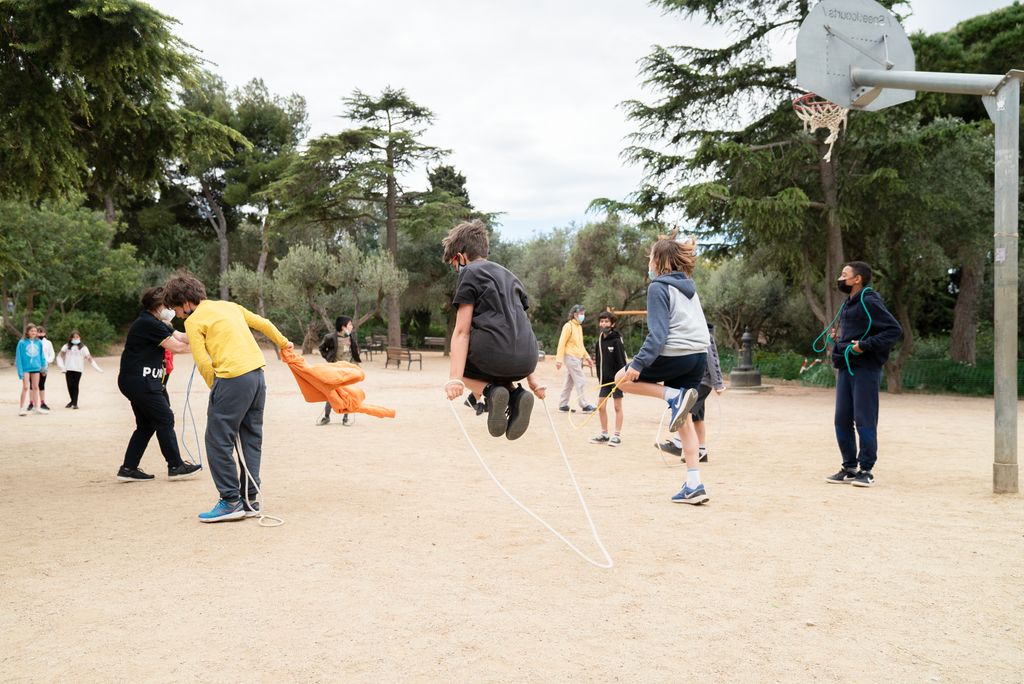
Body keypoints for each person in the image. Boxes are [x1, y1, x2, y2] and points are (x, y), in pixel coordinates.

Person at [162, 270, 294, 522]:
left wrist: (217, 388)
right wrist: (284, 342)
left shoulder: (193, 321)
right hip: (257, 374)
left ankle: (231, 500)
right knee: (250, 438)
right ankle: (250, 499)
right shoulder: (229, 306)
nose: (178, 315)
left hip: (232, 378)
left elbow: (202, 362)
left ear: (186, 303)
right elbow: (263, 324)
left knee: (217, 439)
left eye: (177, 309)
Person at [615, 235, 710, 505]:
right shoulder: (690, 289)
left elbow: (658, 336)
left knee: (620, 379)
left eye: (650, 258)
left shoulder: (658, 287)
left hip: (675, 354)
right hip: (698, 357)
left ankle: (671, 396)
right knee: (684, 420)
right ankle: (694, 484)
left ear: (658, 261)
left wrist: (637, 365)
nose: (649, 263)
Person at [441, 219, 546, 439]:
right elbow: (519, 326)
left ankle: (490, 392)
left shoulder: (469, 272)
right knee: (501, 364)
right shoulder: (511, 277)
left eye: (454, 262)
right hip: (526, 358)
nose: (456, 268)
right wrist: (532, 378)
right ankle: (516, 394)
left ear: (460, 256)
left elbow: (462, 331)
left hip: (494, 355)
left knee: (461, 361)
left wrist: (454, 378)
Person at [825, 261, 902, 488]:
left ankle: (866, 470)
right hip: (846, 367)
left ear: (857, 279)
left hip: (865, 369)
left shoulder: (869, 300)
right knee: (842, 419)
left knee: (864, 419)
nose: (840, 278)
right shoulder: (848, 304)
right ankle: (849, 467)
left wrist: (864, 346)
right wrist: (838, 339)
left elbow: (893, 330)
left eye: (844, 274)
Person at [116, 288, 202, 483]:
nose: (170, 309)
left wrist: (205, 333)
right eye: (167, 305)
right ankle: (176, 465)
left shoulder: (154, 322)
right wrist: (203, 346)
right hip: (140, 381)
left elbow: (180, 336)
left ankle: (128, 468)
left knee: (146, 425)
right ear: (157, 306)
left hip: (145, 380)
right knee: (165, 418)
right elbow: (177, 347)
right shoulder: (147, 324)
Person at [659, 322, 726, 462]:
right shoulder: (693, 335)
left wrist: (718, 383)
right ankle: (702, 452)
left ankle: (677, 445)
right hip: (696, 381)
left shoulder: (703, 336)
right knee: (697, 418)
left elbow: (712, 360)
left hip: (701, 383)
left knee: (684, 410)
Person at [589, 311, 627, 447]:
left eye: (606, 321)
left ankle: (617, 435)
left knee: (617, 407)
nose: (603, 324)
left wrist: (622, 379)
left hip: (617, 380)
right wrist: (599, 377)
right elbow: (599, 360)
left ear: (612, 324)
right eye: (601, 321)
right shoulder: (599, 339)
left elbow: (622, 361)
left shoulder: (617, 340)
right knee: (601, 406)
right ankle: (604, 434)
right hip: (604, 380)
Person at [317, 315, 361, 426]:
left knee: (347, 393)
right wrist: (328, 357)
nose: (352, 326)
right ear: (343, 326)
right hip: (335, 370)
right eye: (350, 324)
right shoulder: (330, 337)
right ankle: (326, 417)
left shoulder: (351, 336)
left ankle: (345, 418)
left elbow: (354, 350)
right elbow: (321, 348)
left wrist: (355, 364)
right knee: (332, 393)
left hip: (348, 370)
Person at [555, 304, 597, 414]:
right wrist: (559, 360)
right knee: (581, 380)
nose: (583, 316)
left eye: (584, 314)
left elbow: (581, 345)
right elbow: (561, 343)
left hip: (578, 358)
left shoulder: (579, 327)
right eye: (581, 314)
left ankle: (563, 405)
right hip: (570, 357)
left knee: (569, 382)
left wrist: (587, 357)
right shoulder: (568, 326)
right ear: (575, 315)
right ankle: (584, 405)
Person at [57, 329, 101, 409]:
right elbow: (59, 356)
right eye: (74, 337)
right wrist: (62, 366)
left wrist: (96, 367)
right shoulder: (66, 346)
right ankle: (72, 401)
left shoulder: (83, 348)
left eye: (77, 337)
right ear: (71, 338)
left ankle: (75, 403)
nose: (75, 339)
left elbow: (89, 358)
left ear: (80, 337)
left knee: (75, 385)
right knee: (69, 385)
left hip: (78, 369)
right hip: (68, 368)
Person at [15, 323, 46, 416]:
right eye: (31, 331)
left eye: (35, 331)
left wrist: (43, 367)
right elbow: (18, 358)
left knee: (36, 387)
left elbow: (42, 356)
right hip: (25, 368)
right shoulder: (22, 342)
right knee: (25, 387)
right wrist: (20, 371)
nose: (34, 332)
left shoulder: (39, 342)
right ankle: (21, 408)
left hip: (36, 368)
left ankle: (37, 408)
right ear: (27, 332)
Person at [28, 325, 55, 412]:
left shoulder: (48, 343)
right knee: (32, 385)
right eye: (37, 331)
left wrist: (47, 361)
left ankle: (42, 403)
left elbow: (52, 354)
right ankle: (31, 403)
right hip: (33, 366)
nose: (39, 333)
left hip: (44, 366)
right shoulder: (32, 342)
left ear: (44, 333)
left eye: (41, 331)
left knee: (41, 385)